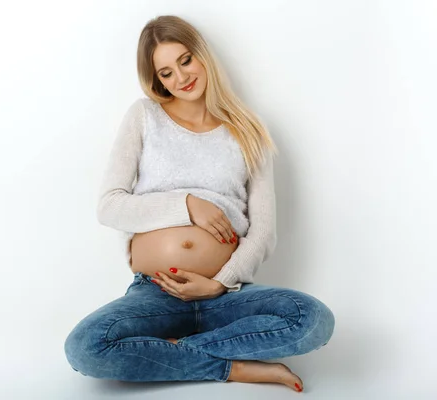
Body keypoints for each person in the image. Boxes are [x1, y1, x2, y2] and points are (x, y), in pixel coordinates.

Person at [64, 15, 335, 392]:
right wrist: (187, 204)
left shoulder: (248, 129)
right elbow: (110, 206)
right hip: (157, 292)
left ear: (202, 55)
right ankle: (234, 367)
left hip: (226, 295)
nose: (181, 77)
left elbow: (264, 232)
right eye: (166, 73)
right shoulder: (144, 116)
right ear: (156, 80)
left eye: (185, 60)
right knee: (85, 348)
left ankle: (179, 353)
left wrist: (218, 284)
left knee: (313, 318)